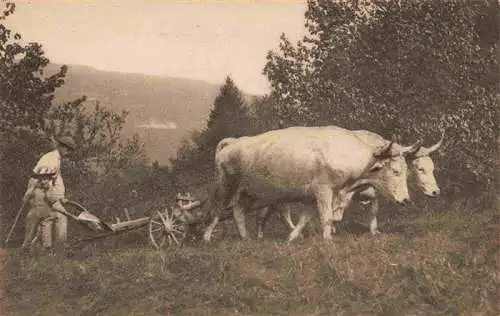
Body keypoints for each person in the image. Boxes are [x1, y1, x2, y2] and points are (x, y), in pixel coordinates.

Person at [22, 135, 75, 252]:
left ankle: (39, 249)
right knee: (54, 218)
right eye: (67, 148)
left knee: (42, 221)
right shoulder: (51, 159)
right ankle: (54, 250)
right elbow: (43, 180)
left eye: (70, 149)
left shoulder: (55, 158)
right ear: (61, 146)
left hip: (43, 194)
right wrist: (55, 199)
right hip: (41, 194)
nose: (68, 152)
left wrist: (60, 196)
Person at [20, 166, 59, 251]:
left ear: (49, 179)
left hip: (47, 212)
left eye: (46, 179)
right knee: (30, 229)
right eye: (41, 179)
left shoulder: (51, 189)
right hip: (34, 211)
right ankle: (25, 248)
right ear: (38, 180)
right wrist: (29, 193)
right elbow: (24, 201)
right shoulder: (34, 189)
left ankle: (47, 248)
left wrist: (48, 190)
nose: (44, 181)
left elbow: (53, 200)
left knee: (47, 229)